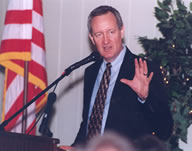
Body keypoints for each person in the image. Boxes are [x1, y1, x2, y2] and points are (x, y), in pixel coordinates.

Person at [73, 5, 173, 146]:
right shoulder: (91, 72)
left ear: (122, 31)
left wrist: (145, 98)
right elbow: (89, 123)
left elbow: (164, 130)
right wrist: (74, 148)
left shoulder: (145, 69)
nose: (106, 40)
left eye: (111, 32)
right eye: (99, 34)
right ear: (92, 38)